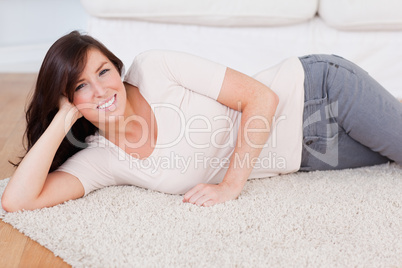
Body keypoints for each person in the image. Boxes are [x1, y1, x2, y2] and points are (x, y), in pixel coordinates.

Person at [1, 31, 401, 212]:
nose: (102, 90)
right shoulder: (101, 160)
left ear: (117, 67)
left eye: (104, 72)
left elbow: (262, 97)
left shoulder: (154, 68)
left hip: (319, 92)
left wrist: (230, 186)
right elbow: (17, 201)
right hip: (310, 154)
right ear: (68, 99)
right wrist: (63, 117)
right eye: (81, 86)